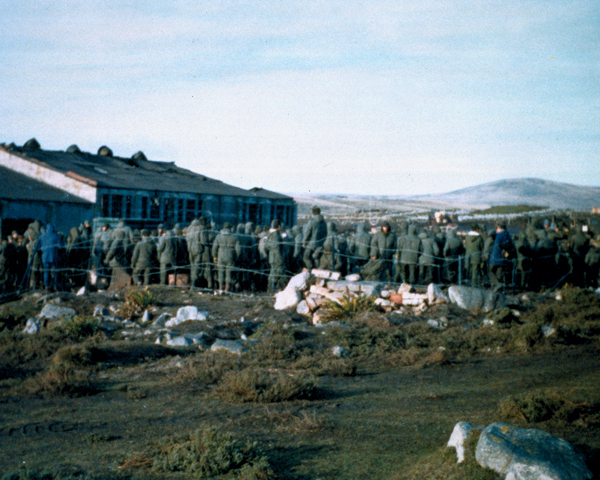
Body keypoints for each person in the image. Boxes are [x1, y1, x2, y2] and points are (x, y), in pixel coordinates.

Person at [212, 222, 240, 292]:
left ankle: (220, 288)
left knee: (220, 272)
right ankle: (227, 288)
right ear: (230, 228)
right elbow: (238, 249)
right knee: (229, 272)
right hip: (230, 255)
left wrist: (214, 256)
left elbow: (214, 247)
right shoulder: (234, 236)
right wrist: (236, 257)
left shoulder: (218, 236)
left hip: (220, 255)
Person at [37, 223, 64, 291]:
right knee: (55, 271)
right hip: (53, 257)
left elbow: (37, 248)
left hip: (45, 257)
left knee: (46, 271)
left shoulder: (41, 236)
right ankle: (55, 285)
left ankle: (46, 285)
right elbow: (61, 246)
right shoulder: (56, 235)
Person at [489, 223, 516, 290]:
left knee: (490, 271)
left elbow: (499, 246)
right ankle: (497, 287)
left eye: (496, 228)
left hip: (496, 257)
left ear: (499, 228)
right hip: (503, 258)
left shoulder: (499, 236)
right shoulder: (507, 235)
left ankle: (497, 284)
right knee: (499, 273)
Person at [302, 206, 328, 271]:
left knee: (306, 257)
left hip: (311, 244)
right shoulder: (324, 222)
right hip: (321, 243)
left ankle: (310, 269)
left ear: (313, 213)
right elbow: (326, 233)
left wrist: (304, 242)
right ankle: (317, 270)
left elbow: (308, 232)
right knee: (316, 258)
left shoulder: (312, 221)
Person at [265, 219, 285, 293]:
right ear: (279, 226)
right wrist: (280, 258)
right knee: (278, 272)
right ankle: (274, 288)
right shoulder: (277, 235)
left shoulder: (269, 235)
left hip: (271, 256)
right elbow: (277, 246)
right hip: (277, 256)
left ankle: (270, 288)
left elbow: (266, 246)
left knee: (272, 272)